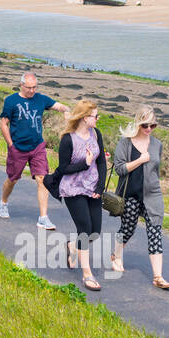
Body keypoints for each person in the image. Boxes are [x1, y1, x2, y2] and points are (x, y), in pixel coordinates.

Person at [110, 105, 169, 290]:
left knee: (155, 232)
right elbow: (119, 168)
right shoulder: (125, 143)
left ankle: (158, 276)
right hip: (130, 194)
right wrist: (140, 160)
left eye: (153, 126)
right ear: (138, 123)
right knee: (128, 229)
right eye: (145, 125)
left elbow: (155, 170)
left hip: (152, 194)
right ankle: (116, 256)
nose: (149, 129)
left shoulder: (157, 145)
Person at [0, 71, 67, 230]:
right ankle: (3, 202)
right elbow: (4, 123)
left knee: (43, 179)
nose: (32, 91)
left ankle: (43, 218)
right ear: (21, 85)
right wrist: (10, 144)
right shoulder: (11, 101)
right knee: (13, 179)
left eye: (34, 87)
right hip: (18, 147)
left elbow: (58, 106)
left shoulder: (41, 98)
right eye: (29, 88)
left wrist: (67, 110)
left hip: (37, 146)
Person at [54, 100, 107, 291]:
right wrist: (84, 163)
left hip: (92, 187)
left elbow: (101, 162)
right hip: (73, 189)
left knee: (95, 231)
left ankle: (72, 247)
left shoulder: (96, 134)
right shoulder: (68, 139)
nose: (98, 119)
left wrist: (100, 187)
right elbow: (63, 168)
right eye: (95, 116)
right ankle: (87, 274)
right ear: (85, 118)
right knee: (84, 228)